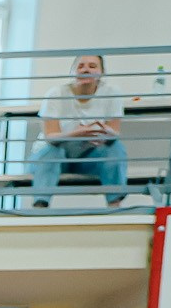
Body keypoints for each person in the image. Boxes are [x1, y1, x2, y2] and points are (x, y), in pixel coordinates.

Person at [29, 52, 126, 208]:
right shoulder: (56, 94)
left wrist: (100, 134)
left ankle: (114, 206)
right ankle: (40, 208)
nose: (85, 69)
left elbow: (114, 132)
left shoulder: (111, 94)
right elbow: (50, 137)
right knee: (52, 152)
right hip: (55, 156)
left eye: (92, 66)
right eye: (80, 66)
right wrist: (77, 134)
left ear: (102, 73)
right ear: (73, 71)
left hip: (88, 156)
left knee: (115, 148)